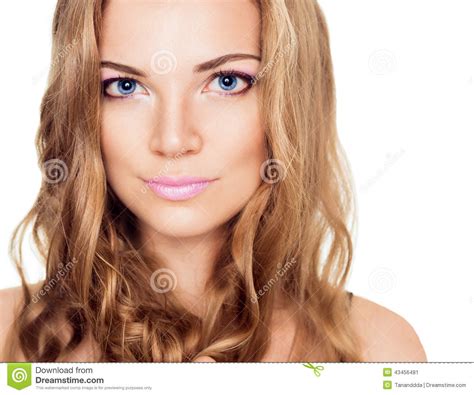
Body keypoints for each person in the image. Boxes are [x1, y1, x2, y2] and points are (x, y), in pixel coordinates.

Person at [0, 0, 426, 362]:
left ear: (292, 101)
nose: (172, 140)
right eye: (125, 86)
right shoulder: (8, 336)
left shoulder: (379, 350)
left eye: (226, 82)